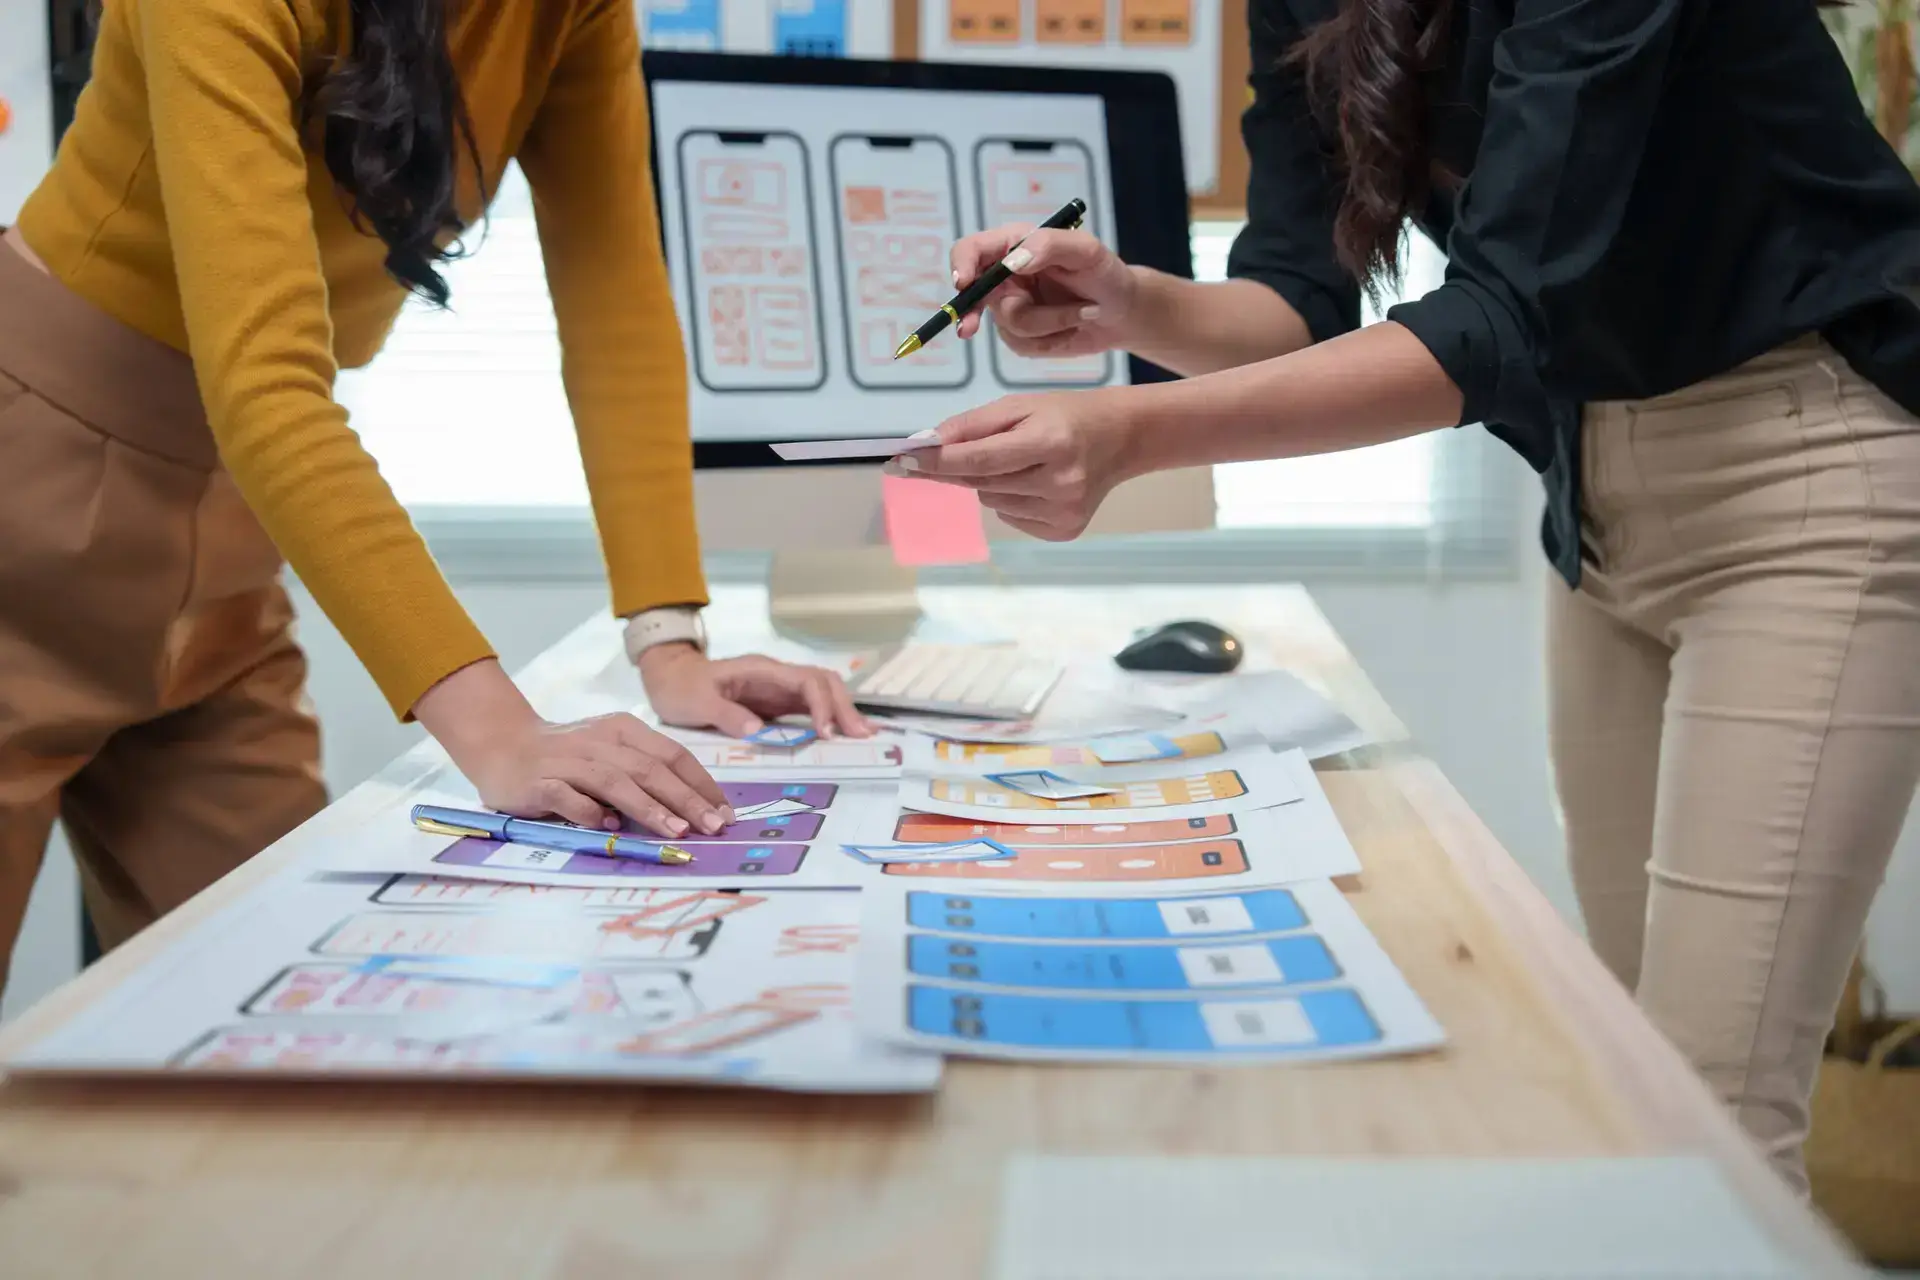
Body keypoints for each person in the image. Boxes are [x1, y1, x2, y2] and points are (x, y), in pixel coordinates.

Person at [909, 0, 1920, 1189]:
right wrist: (1127, 302)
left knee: (1717, 1118)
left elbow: (1504, 312)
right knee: (1637, 1069)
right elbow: (1297, 296)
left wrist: (1128, 434)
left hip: (1807, 472)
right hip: (1591, 489)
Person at [0, 0, 870, 999]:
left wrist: (668, 640)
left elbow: (616, 301)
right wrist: (501, 732)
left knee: (284, 1013)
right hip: (29, 479)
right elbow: (269, 385)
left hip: (232, 528)